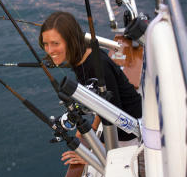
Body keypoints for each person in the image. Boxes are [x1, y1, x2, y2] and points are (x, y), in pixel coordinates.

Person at [38, 11, 142, 165]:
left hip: (128, 132)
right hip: (113, 121)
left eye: (55, 43)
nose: (49, 50)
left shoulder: (97, 66)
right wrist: (92, 128)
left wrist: (94, 153)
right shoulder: (81, 59)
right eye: (46, 44)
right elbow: (101, 101)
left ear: (70, 41)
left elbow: (116, 115)